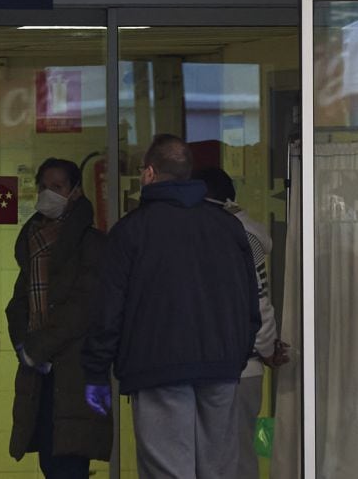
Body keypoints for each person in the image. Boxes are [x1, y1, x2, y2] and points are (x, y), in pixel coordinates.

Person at [81, 134, 261, 479]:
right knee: (219, 470)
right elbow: (249, 302)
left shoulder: (130, 232)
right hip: (221, 368)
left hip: (156, 369)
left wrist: (96, 371)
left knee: (169, 471)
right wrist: (235, 355)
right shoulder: (228, 227)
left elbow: (108, 311)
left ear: (149, 173)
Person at [5, 157, 111, 478]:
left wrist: (37, 348)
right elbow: (18, 304)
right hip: (39, 374)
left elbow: (82, 308)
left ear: (75, 192)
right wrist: (25, 345)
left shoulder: (91, 244)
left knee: (70, 462)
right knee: (50, 462)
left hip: (74, 370)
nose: (47, 194)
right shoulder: (33, 243)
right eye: (43, 187)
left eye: (57, 187)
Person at [195, 166, 289, 479]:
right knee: (237, 454)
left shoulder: (235, 236)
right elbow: (261, 300)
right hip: (243, 366)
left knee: (226, 456)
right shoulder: (245, 232)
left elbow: (258, 301)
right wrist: (264, 348)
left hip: (230, 366)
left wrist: (263, 346)